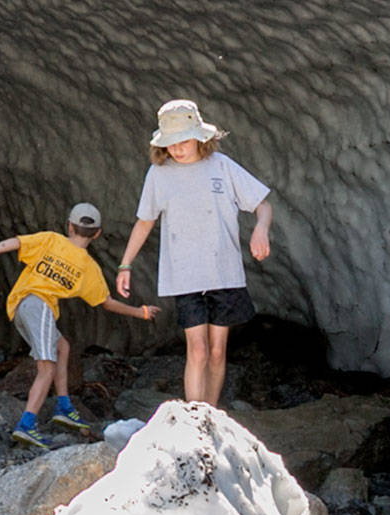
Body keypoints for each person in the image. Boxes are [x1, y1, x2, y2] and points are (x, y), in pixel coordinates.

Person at [115, 99, 273, 408]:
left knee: (216, 351)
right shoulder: (159, 174)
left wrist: (260, 229)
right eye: (171, 142)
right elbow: (144, 221)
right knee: (197, 350)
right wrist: (125, 264)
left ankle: (209, 415)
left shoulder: (223, 167)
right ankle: (194, 418)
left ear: (200, 137)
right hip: (185, 275)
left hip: (223, 272)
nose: (177, 148)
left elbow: (262, 204)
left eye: (183, 140)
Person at [0, 203, 159, 447]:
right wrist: (140, 312)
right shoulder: (89, 268)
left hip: (20, 305)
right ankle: (26, 424)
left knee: (62, 346)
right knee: (46, 368)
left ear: (69, 226)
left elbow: (17, 242)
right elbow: (106, 303)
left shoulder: (51, 240)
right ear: (97, 233)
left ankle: (63, 405)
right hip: (40, 306)